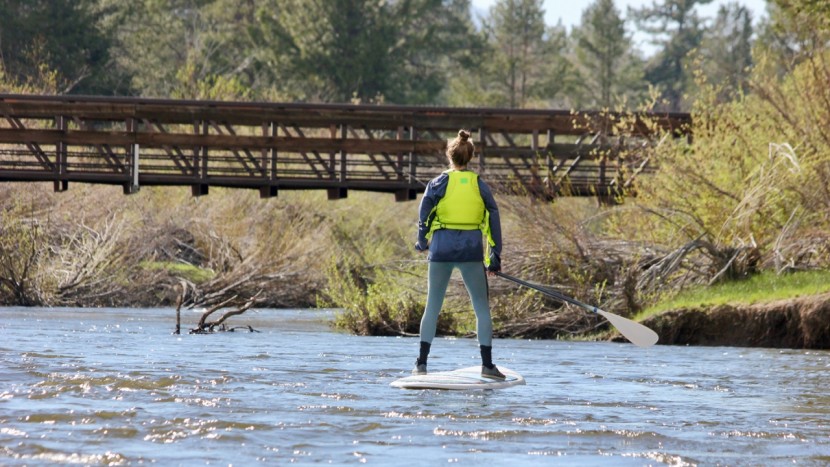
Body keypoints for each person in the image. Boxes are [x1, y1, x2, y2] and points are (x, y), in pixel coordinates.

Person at [412, 129, 504, 379]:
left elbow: (424, 213)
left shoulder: (438, 182)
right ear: (470, 157)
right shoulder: (479, 185)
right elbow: (493, 219)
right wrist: (495, 258)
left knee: (432, 306)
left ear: (449, 156)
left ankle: (421, 364)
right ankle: (487, 366)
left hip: (441, 249)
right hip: (470, 251)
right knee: (481, 308)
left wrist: (422, 241)